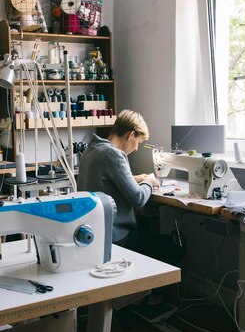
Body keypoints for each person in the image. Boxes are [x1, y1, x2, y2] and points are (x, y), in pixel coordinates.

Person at [77, 109, 184, 267]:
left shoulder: (92, 150)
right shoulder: (113, 155)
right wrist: (148, 180)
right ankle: (151, 288)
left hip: (96, 232)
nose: (136, 148)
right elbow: (139, 199)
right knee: (176, 247)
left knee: (146, 227)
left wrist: (133, 179)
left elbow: (102, 181)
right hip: (116, 236)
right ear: (130, 134)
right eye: (138, 142)